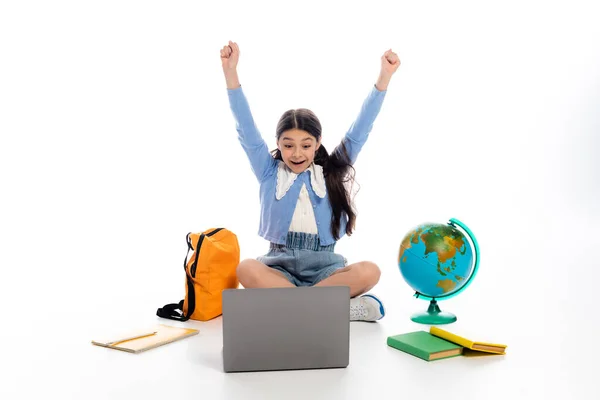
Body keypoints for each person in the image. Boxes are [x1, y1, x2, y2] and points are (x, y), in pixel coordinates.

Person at [220, 40, 400, 321]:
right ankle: (329, 308)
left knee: (370, 270)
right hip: (279, 266)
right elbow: (245, 127)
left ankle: (292, 306)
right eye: (288, 144)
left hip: (324, 269)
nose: (297, 153)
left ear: (317, 144)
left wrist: (383, 78)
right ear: (278, 144)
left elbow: (359, 131)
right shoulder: (269, 171)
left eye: (306, 145)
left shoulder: (332, 170)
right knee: (246, 269)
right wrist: (230, 72)